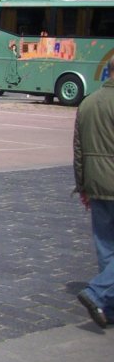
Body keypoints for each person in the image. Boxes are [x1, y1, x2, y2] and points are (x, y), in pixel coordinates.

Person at [72, 55, 114, 329]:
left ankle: (106, 306)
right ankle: (97, 292)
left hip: (97, 183)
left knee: (106, 246)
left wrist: (82, 186)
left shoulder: (88, 102)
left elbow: (78, 150)